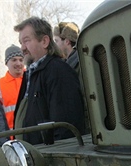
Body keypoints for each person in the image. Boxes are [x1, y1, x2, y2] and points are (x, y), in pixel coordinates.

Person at [14, 17, 85, 145]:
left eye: (26, 41)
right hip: (34, 156)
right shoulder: (31, 74)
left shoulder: (58, 72)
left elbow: (66, 129)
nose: (22, 48)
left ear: (45, 41)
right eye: (21, 43)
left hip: (50, 158)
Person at [0, 45, 25, 130]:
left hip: (32, 132)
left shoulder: (32, 79)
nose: (18, 63)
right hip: (10, 136)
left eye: (21, 60)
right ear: (6, 63)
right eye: (14, 60)